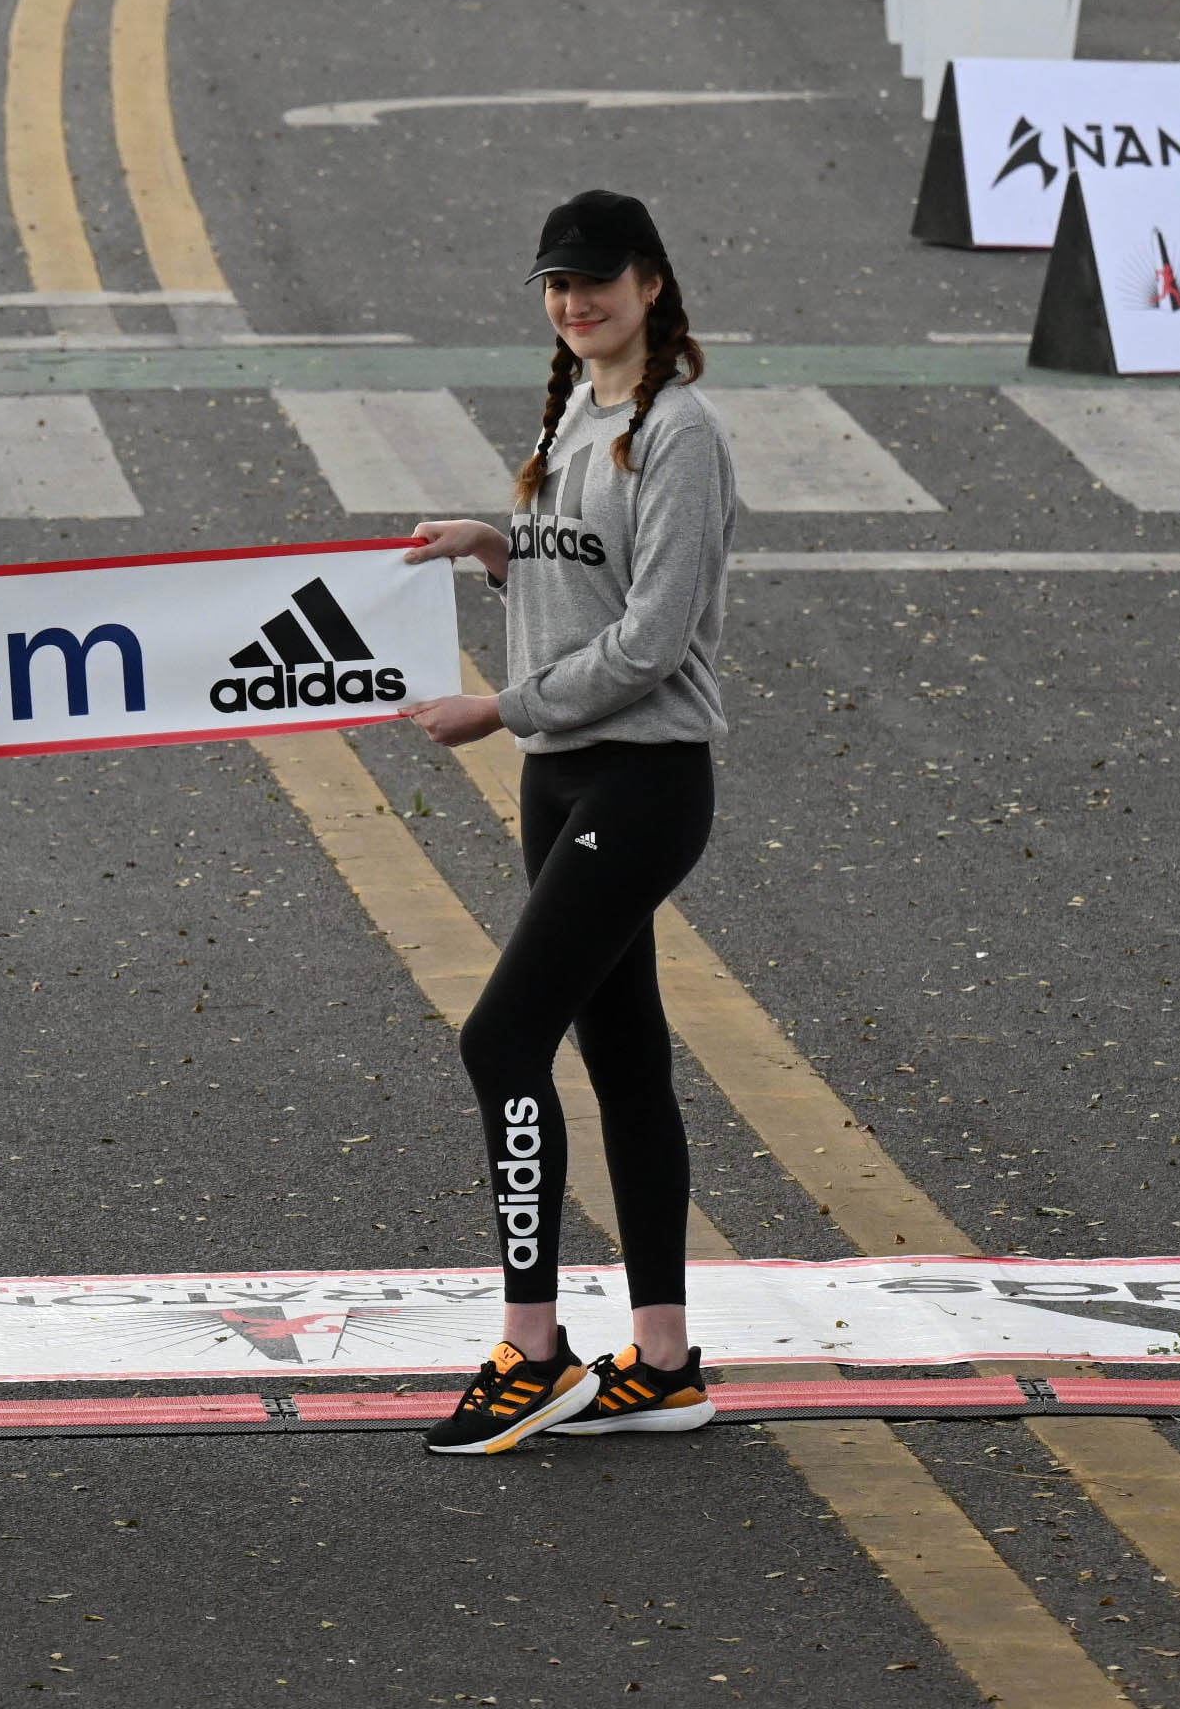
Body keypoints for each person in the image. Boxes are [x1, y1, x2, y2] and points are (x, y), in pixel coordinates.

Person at [399, 189, 735, 1456]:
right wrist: (500, 549)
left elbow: (652, 638)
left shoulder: (681, 432)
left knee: (501, 1041)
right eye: (557, 283)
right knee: (625, 1054)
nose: (574, 301)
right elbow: (581, 584)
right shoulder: (576, 410)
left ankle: (532, 1351)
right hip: (562, 780)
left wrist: (503, 707)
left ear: (651, 283)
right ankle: (664, 1362)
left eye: (596, 280)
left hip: (641, 783)